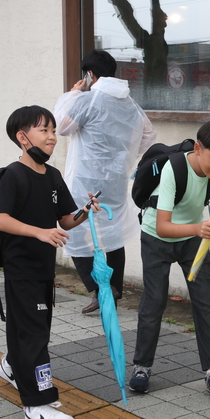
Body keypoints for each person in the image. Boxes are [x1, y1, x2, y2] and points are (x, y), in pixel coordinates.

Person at [128, 119, 210, 399]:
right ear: (198, 148)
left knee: (204, 304)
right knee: (154, 302)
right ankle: (141, 367)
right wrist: (197, 229)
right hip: (157, 237)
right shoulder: (174, 168)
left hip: (193, 241)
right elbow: (163, 225)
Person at [0, 105, 100, 419]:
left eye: (53, 130)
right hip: (20, 268)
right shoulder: (13, 175)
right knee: (34, 335)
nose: (52, 137)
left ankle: (12, 365)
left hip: (43, 270)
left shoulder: (52, 175)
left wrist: (85, 211)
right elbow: (0, 220)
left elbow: (66, 221)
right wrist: (39, 232)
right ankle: (37, 404)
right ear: (23, 138)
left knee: (35, 330)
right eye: (44, 130)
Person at [53, 50, 156, 314]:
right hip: (116, 181)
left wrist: (73, 94)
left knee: (75, 227)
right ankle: (114, 288)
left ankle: (99, 288)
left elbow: (63, 127)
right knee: (112, 234)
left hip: (85, 180)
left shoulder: (88, 99)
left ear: (89, 74)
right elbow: (148, 136)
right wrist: (121, 155)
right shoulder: (131, 105)